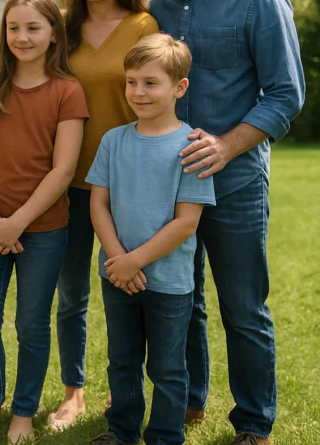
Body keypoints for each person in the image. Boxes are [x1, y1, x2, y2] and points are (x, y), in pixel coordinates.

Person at [147, 0, 305, 445]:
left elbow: (286, 93)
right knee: (179, 302)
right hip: (169, 185)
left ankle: (254, 424)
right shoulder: (155, 6)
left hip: (235, 181)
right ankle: (188, 401)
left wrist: (227, 145)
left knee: (243, 307)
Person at [0, 0, 88, 444]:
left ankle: (23, 411)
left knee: (32, 324)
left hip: (45, 229)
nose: (22, 37)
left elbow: (63, 169)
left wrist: (19, 223)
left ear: (54, 33)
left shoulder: (67, 92)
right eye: (14, 28)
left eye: (34, 27)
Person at [49, 0, 159, 431]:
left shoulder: (142, 25)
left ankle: (124, 390)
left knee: (125, 288)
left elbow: (154, 96)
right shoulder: (61, 25)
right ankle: (73, 393)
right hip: (67, 179)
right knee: (71, 294)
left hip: (126, 182)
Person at [87, 34, 216, 445]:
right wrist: (117, 259)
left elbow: (186, 223)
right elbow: (99, 205)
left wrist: (134, 261)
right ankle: (121, 431)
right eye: (131, 82)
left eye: (150, 82)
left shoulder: (192, 146)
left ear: (179, 87)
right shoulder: (114, 140)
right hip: (117, 275)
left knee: (166, 367)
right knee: (122, 361)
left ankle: (164, 435)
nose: (138, 92)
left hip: (169, 282)